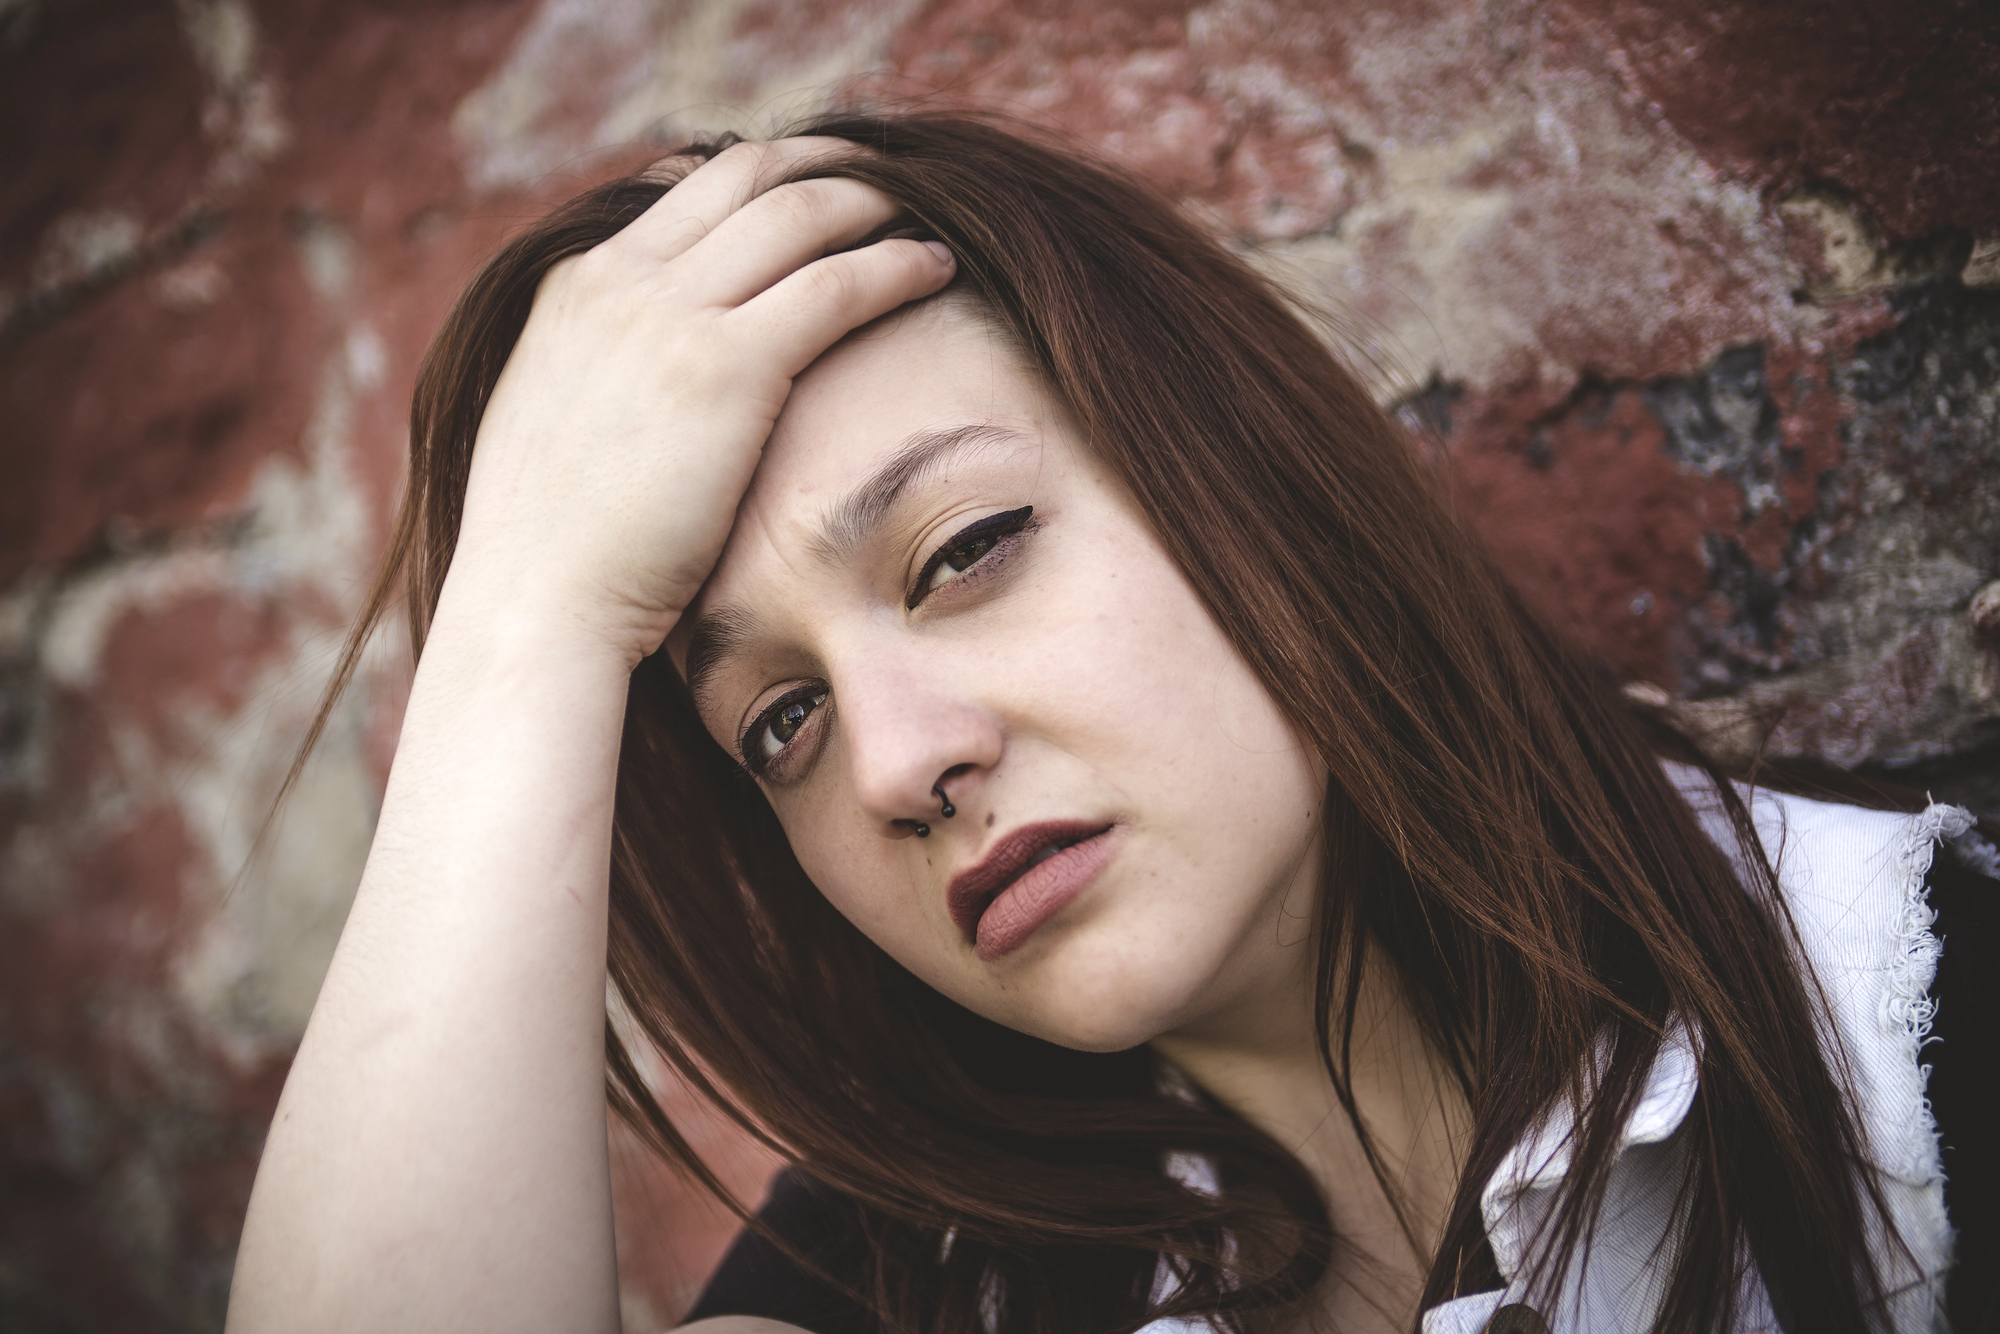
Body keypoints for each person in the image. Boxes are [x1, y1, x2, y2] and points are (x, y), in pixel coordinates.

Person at [223, 114, 1995, 1334]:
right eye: (779, 724)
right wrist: (521, 615)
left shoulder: (1917, 1024)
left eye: (968, 549)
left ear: (1239, 481)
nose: (902, 763)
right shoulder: (916, 1280)